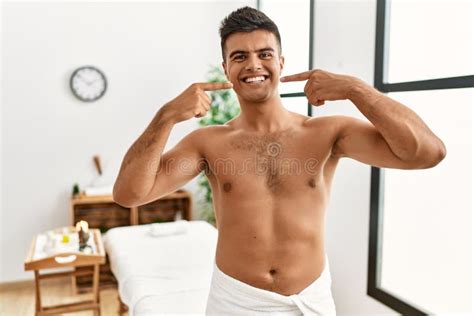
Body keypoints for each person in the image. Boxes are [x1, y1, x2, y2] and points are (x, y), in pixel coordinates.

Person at [113, 6, 446, 315]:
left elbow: (428, 153)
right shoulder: (207, 142)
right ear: (226, 68)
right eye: (240, 56)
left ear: (281, 63)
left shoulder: (327, 133)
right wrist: (166, 116)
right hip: (235, 301)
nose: (254, 65)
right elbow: (130, 194)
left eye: (265, 54)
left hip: (309, 300)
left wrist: (356, 89)